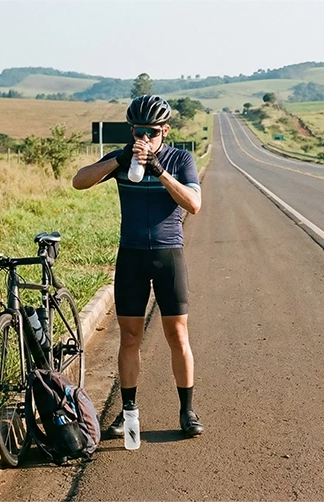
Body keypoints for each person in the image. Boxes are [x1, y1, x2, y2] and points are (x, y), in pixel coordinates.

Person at [72, 94, 203, 438]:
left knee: (177, 334)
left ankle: (187, 411)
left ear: (165, 130)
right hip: (131, 256)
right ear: (131, 130)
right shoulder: (122, 158)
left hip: (168, 255)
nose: (145, 138)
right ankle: (128, 412)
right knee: (129, 337)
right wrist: (118, 159)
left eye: (152, 132)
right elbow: (79, 181)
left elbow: (194, 204)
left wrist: (160, 171)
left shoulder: (180, 159)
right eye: (138, 132)